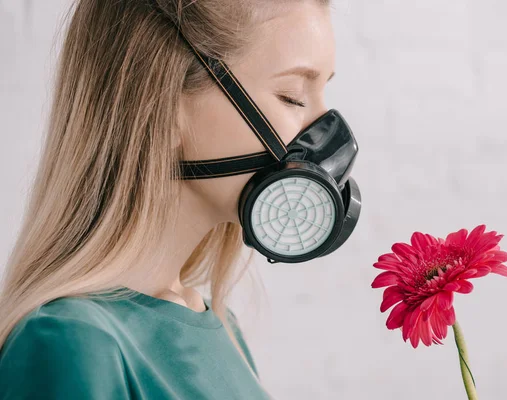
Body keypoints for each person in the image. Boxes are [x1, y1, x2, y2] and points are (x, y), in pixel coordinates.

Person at [0, 0, 361, 399]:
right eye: (293, 96)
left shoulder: (223, 330)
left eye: (323, 92)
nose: (328, 134)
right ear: (163, 99)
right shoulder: (71, 343)